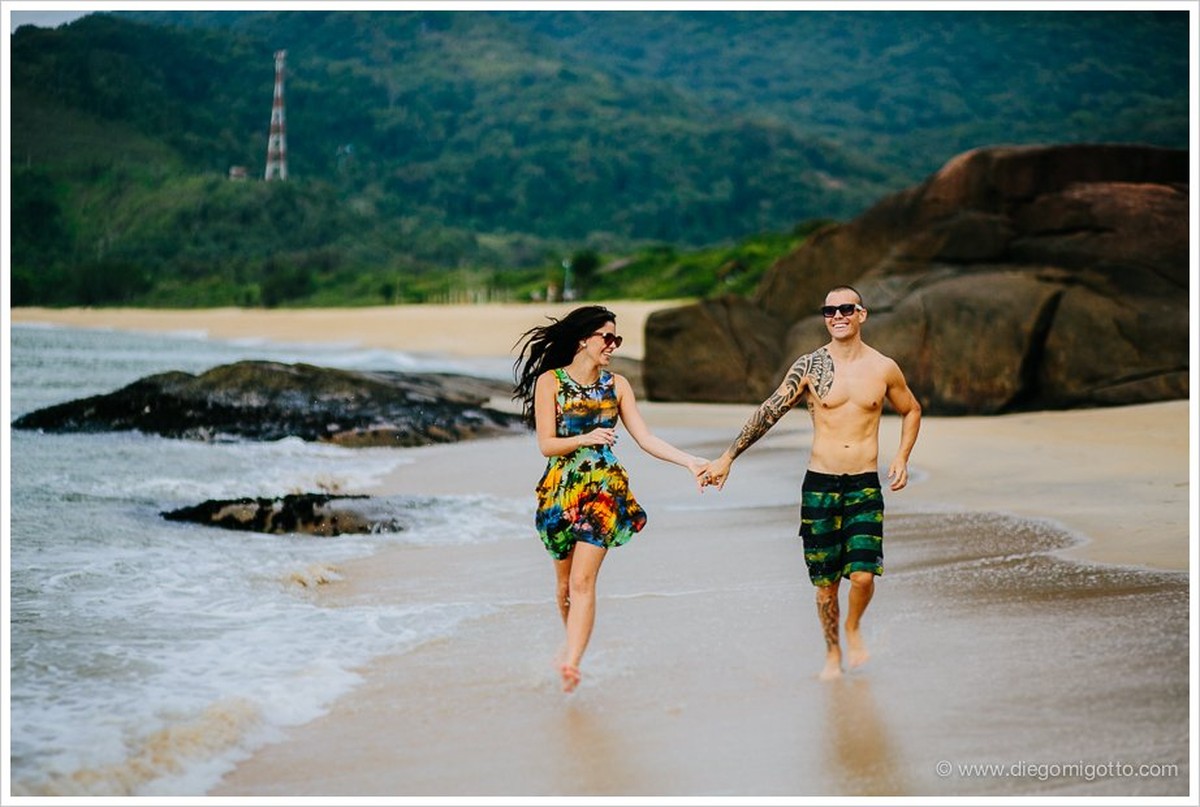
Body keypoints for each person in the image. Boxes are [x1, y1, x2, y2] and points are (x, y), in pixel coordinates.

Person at [703, 285, 921, 680]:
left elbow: (912, 409)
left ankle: (852, 627)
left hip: (864, 483)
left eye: (845, 309)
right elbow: (769, 411)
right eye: (829, 310)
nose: (836, 316)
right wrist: (728, 457)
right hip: (820, 484)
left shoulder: (883, 368)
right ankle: (832, 650)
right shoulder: (808, 367)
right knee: (824, 586)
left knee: (863, 574)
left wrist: (903, 457)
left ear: (861, 315)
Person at [512, 305, 709, 693]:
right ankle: (570, 647)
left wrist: (690, 462)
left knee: (584, 582)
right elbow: (546, 445)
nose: (613, 345)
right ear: (584, 339)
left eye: (616, 339)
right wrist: (584, 438)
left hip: (604, 489)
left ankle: (571, 662)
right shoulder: (551, 382)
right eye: (607, 337)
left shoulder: (617, 386)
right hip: (560, 489)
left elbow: (647, 439)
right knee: (565, 587)